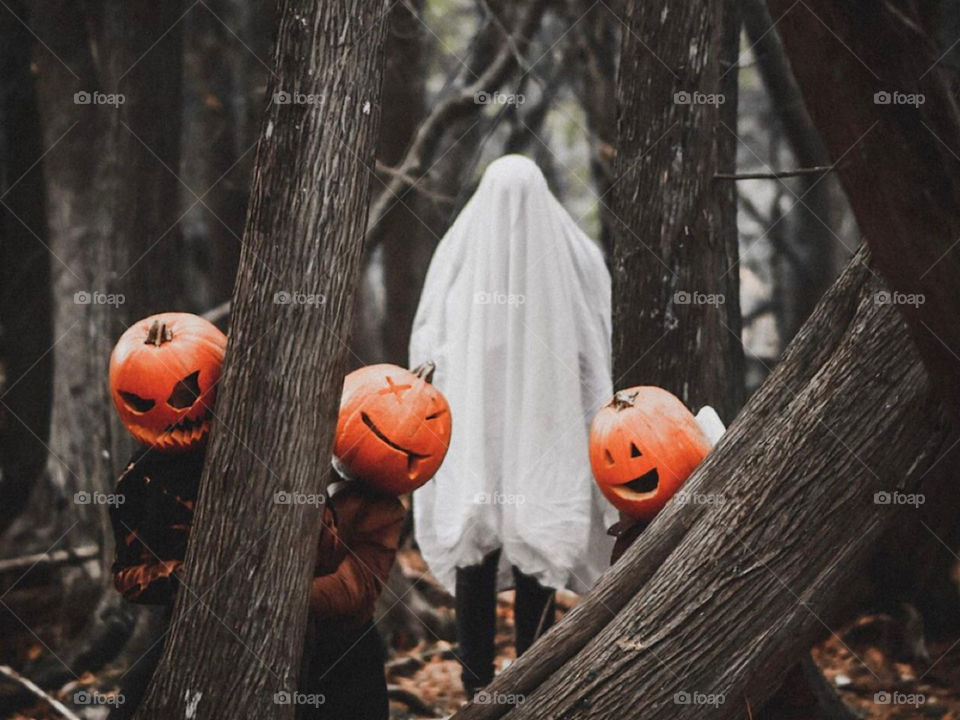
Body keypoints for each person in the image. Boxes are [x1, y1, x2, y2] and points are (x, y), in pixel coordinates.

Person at [409, 154, 617, 696]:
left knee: (518, 538)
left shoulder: (473, 259)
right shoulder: (571, 257)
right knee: (495, 536)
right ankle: (495, 685)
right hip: (503, 437)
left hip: (524, 435)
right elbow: (592, 355)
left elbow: (428, 348)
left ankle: (514, 685)